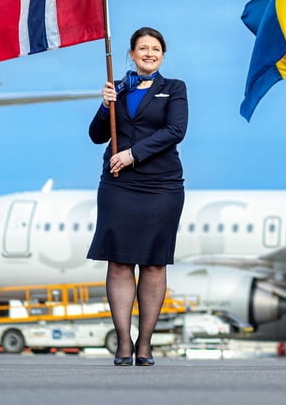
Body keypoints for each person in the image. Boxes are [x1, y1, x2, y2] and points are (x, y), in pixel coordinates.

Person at [87, 27, 188, 367]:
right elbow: (96, 135)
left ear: (162, 55)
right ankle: (123, 343)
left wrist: (133, 154)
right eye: (143, 48)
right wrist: (105, 107)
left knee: (154, 262)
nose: (149, 53)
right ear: (131, 54)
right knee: (119, 261)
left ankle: (145, 343)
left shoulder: (174, 88)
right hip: (119, 184)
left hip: (161, 185)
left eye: (155, 49)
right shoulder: (117, 88)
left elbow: (175, 131)